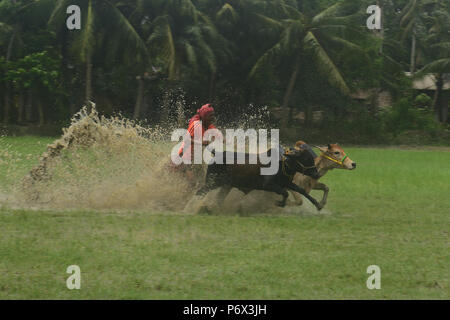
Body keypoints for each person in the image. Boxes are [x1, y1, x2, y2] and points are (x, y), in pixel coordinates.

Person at [174, 103, 220, 186]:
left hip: (195, 159)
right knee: (193, 183)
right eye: (210, 115)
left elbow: (219, 137)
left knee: (203, 181)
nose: (213, 118)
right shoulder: (196, 124)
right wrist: (201, 142)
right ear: (204, 116)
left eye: (213, 115)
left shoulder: (208, 125)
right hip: (183, 158)